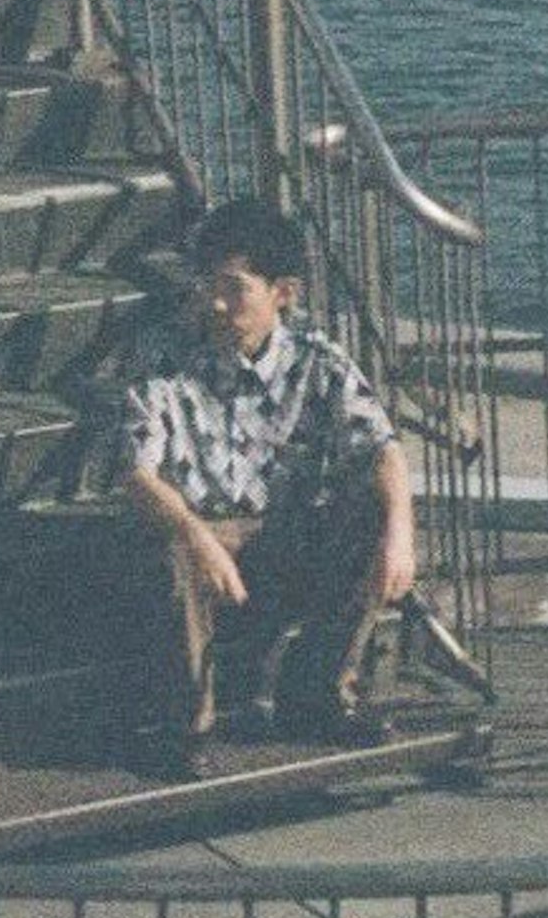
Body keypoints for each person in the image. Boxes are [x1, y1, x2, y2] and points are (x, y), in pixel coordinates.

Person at [113, 197, 419, 771]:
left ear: (283, 293)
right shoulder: (163, 354)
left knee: (371, 514)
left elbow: (382, 445)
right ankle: (188, 729)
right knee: (173, 547)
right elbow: (137, 471)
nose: (217, 303)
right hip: (203, 532)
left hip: (285, 534)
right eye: (208, 285)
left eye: (235, 288)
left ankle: (322, 691)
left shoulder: (315, 359)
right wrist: (197, 535)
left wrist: (399, 532)